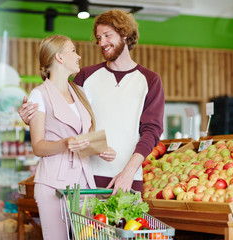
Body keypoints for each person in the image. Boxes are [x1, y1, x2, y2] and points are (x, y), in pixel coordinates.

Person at [18, 9, 164, 195]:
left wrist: (128, 172)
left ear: (125, 34)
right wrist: (33, 116)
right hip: (84, 176)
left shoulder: (149, 80)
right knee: (85, 225)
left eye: (107, 35)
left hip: (128, 179)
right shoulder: (85, 76)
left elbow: (151, 131)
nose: (101, 43)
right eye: (98, 37)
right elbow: (61, 114)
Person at [28, 35, 115, 239]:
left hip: (84, 183)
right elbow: (38, 147)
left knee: (89, 237)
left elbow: (83, 138)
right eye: (73, 50)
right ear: (59, 57)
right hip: (52, 185)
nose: (79, 55)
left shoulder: (82, 93)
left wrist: (100, 149)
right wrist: (65, 143)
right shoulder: (38, 95)